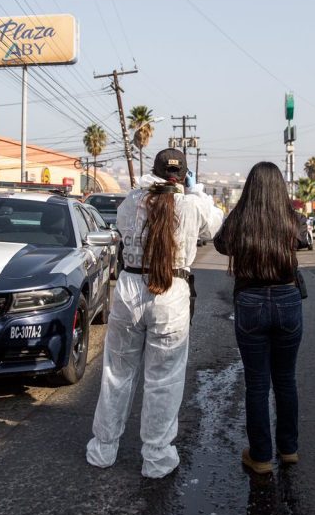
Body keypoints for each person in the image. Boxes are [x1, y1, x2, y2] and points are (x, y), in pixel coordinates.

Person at [86, 148, 223, 478]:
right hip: (171, 290)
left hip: (131, 286)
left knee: (117, 374)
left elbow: (120, 222)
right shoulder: (191, 204)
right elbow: (215, 226)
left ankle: (103, 450)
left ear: (154, 171)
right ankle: (157, 458)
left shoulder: (132, 201)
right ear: (184, 176)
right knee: (164, 378)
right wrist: (198, 191)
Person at [213, 162, 310, 475]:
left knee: (257, 384)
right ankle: (289, 448)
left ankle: (261, 456)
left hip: (251, 300)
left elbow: (220, 244)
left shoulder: (239, 219)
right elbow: (303, 240)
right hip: (287, 299)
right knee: (285, 379)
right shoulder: (293, 219)